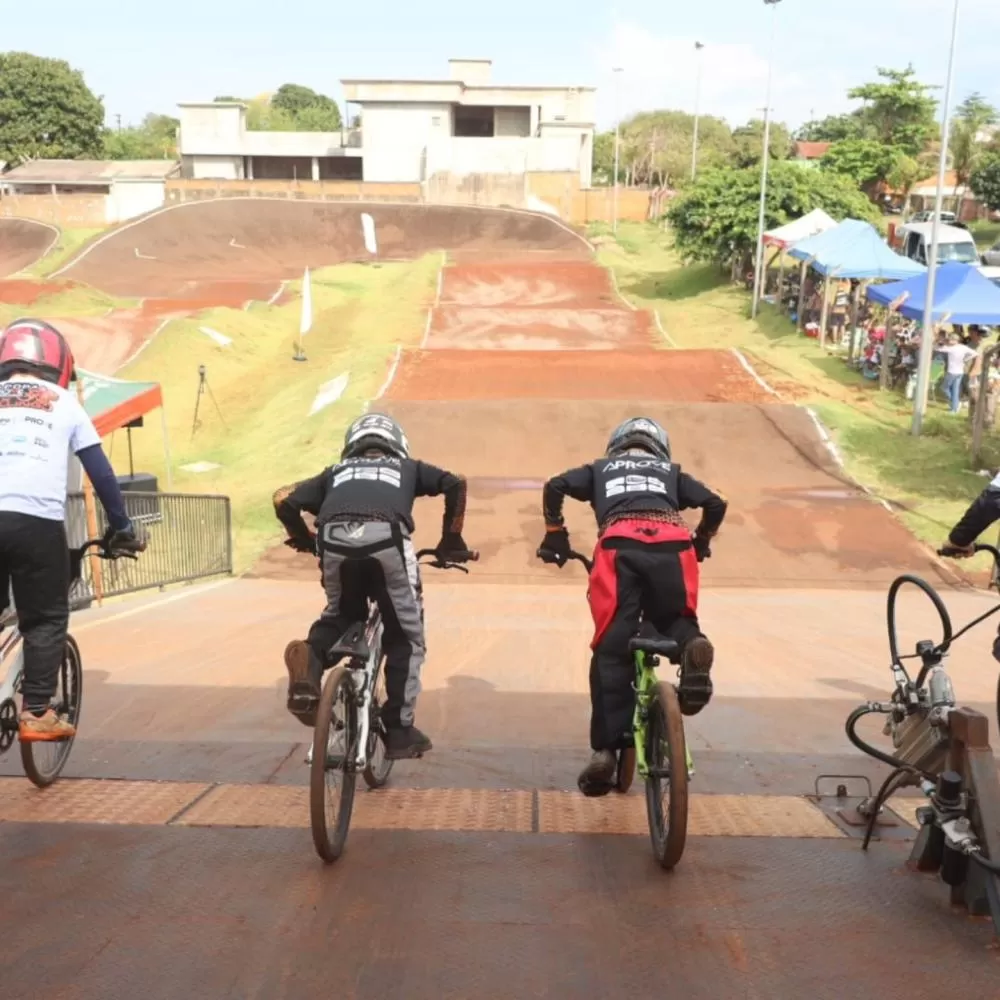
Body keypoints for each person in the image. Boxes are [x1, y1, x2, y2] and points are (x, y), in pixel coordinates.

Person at [537, 416, 728, 796]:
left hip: (620, 545)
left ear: (616, 446)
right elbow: (714, 502)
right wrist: (701, 539)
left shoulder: (599, 469)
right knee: (676, 619)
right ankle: (692, 646)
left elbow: (555, 485)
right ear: (660, 450)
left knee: (612, 647)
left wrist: (555, 533)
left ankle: (606, 753)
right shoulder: (670, 472)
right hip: (674, 544)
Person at [272, 412, 471, 760]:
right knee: (405, 636)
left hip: (334, 539)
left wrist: (304, 539)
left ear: (351, 446)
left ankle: (313, 657)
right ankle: (399, 730)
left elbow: (282, 498)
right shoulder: (406, 468)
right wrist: (451, 540)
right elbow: (456, 481)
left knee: (340, 613)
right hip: (386, 540)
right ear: (397, 444)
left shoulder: (335, 473)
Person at [0, 319, 144, 741]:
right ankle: (37, 713)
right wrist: (122, 526)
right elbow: (100, 472)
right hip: (35, 524)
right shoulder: (63, 401)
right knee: (44, 619)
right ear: (56, 361)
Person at [937, 331, 977, 414]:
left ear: (955, 340)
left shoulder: (950, 348)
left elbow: (937, 348)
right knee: (955, 390)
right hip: (960, 372)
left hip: (952, 372)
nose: (949, 341)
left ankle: (955, 403)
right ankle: (954, 409)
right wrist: (966, 359)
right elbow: (975, 353)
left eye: (950, 340)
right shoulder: (963, 347)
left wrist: (938, 342)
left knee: (944, 388)